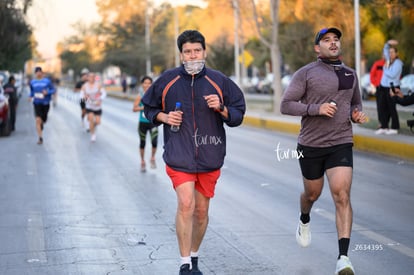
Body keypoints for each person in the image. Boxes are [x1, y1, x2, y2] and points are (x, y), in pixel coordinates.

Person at [142, 30, 246, 275]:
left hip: (210, 156)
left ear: (204, 52)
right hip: (179, 155)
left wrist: (221, 109)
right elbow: (148, 107)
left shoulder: (219, 81)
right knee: (186, 204)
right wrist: (164, 117)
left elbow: (239, 113)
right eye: (187, 52)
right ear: (181, 55)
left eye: (197, 51)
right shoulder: (167, 80)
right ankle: (185, 263)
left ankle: (195, 256)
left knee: (201, 212)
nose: (192, 55)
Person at [280, 27, 367, 275]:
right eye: (326, 40)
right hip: (311, 144)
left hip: (341, 141)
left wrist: (356, 113)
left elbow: (355, 101)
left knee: (341, 195)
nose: (332, 43)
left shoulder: (350, 73)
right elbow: (286, 105)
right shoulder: (305, 73)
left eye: (336, 39)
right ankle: (304, 218)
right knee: (312, 194)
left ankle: (343, 258)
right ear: (317, 48)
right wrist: (316, 109)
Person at [375, 40, 403, 135]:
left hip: (392, 87)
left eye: (392, 52)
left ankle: (395, 127)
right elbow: (385, 50)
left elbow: (392, 74)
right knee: (383, 108)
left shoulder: (398, 63)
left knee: (392, 108)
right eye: (389, 52)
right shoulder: (388, 61)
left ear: (396, 53)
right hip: (383, 87)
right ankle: (384, 126)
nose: (390, 54)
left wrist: (384, 68)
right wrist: (388, 43)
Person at [132, 76, 158, 172]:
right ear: (142, 84)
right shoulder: (140, 96)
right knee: (142, 143)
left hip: (153, 122)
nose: (147, 85)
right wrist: (143, 108)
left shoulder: (155, 96)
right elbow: (134, 109)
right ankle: (142, 161)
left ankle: (152, 158)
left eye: (149, 83)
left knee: (154, 142)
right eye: (145, 83)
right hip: (143, 123)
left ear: (152, 84)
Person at [29, 67, 56, 144]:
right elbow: (32, 91)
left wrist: (47, 92)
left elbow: (53, 90)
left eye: (40, 72)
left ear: (42, 73)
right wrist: (30, 96)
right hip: (37, 103)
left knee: (43, 120)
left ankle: (42, 122)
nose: (38, 73)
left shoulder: (47, 81)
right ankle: (40, 138)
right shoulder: (32, 82)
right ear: (35, 73)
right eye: (37, 72)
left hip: (45, 103)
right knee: (37, 120)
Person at [80, 72, 106, 142]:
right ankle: (93, 134)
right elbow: (81, 96)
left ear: (95, 78)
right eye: (90, 77)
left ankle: (92, 126)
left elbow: (104, 93)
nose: (92, 78)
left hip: (97, 107)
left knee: (98, 122)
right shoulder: (84, 86)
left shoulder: (98, 85)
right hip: (89, 106)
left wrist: (100, 99)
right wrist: (85, 98)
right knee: (91, 119)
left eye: (93, 77)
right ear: (87, 78)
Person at [370, 56, 385, 123]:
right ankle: (381, 123)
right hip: (380, 88)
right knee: (380, 107)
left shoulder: (391, 64)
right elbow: (372, 75)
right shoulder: (377, 63)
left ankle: (386, 124)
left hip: (389, 88)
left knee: (389, 108)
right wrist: (376, 83)